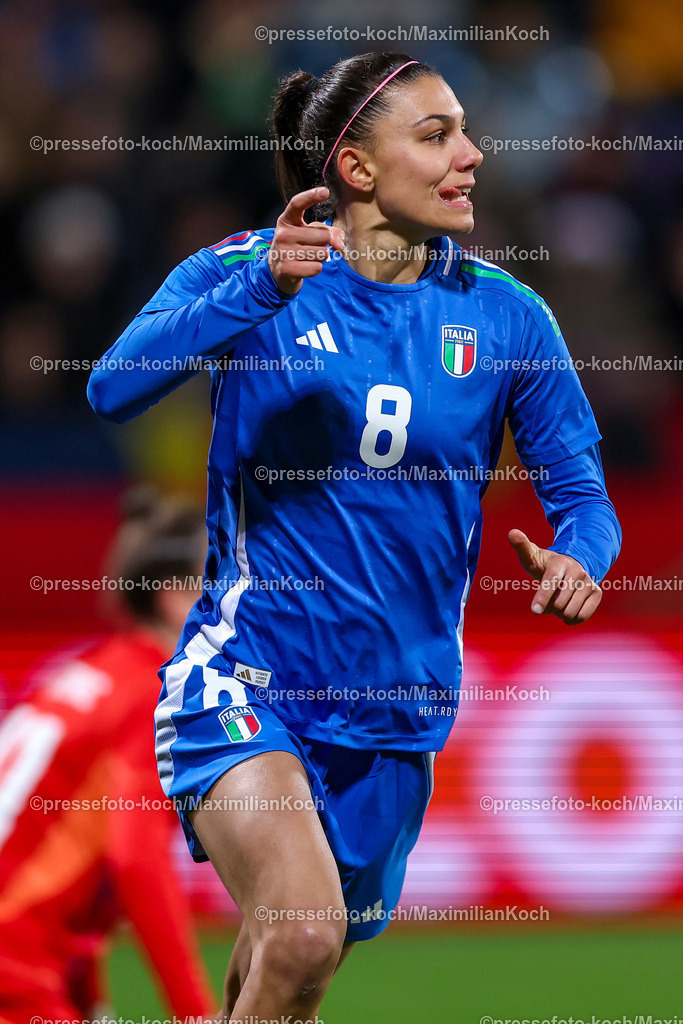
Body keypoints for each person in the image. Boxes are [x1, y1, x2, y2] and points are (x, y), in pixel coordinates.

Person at [87, 52, 621, 1023]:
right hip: (242, 680)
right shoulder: (257, 269)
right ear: (358, 170)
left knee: (289, 968)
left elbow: (581, 497)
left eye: (462, 129)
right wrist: (252, 300)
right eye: (435, 134)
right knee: (300, 930)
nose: (470, 155)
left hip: (394, 718)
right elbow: (111, 385)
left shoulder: (507, 318)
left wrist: (582, 557)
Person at [0, 489, 215, 1022]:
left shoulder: (89, 674)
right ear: (173, 598)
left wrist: (85, 997)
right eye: (222, 581)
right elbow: (136, 861)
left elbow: (51, 846)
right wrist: (196, 1013)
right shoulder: (153, 696)